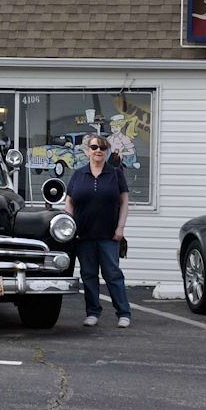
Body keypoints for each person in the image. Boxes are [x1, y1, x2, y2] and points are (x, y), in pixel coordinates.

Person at [64, 135, 131, 327]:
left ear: (107, 150)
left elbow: (124, 202)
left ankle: (123, 313)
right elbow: (69, 201)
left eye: (102, 147)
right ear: (88, 150)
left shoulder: (115, 173)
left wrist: (120, 227)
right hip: (83, 235)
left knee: (113, 274)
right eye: (94, 147)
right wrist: (70, 225)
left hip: (109, 234)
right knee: (89, 274)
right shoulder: (78, 174)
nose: (98, 150)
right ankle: (93, 312)